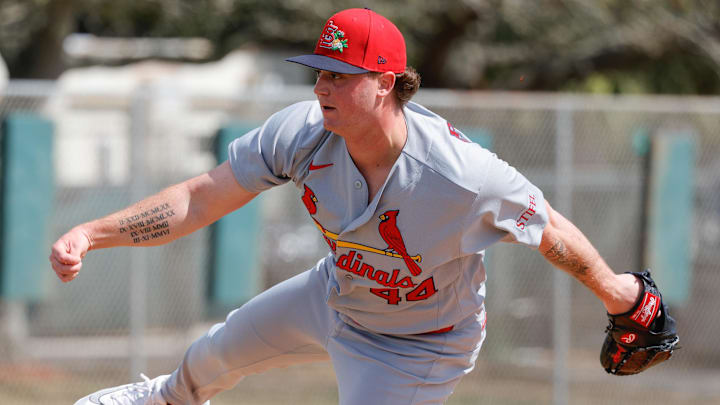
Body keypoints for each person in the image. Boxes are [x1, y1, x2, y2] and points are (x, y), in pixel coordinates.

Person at [51, 8, 643, 405]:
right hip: (333, 295)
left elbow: (548, 229)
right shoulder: (303, 133)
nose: (321, 87)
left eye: (339, 75)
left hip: (420, 343)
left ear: (385, 82)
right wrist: (91, 233)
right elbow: (202, 196)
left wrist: (621, 296)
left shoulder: (459, 175)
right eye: (319, 73)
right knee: (203, 363)